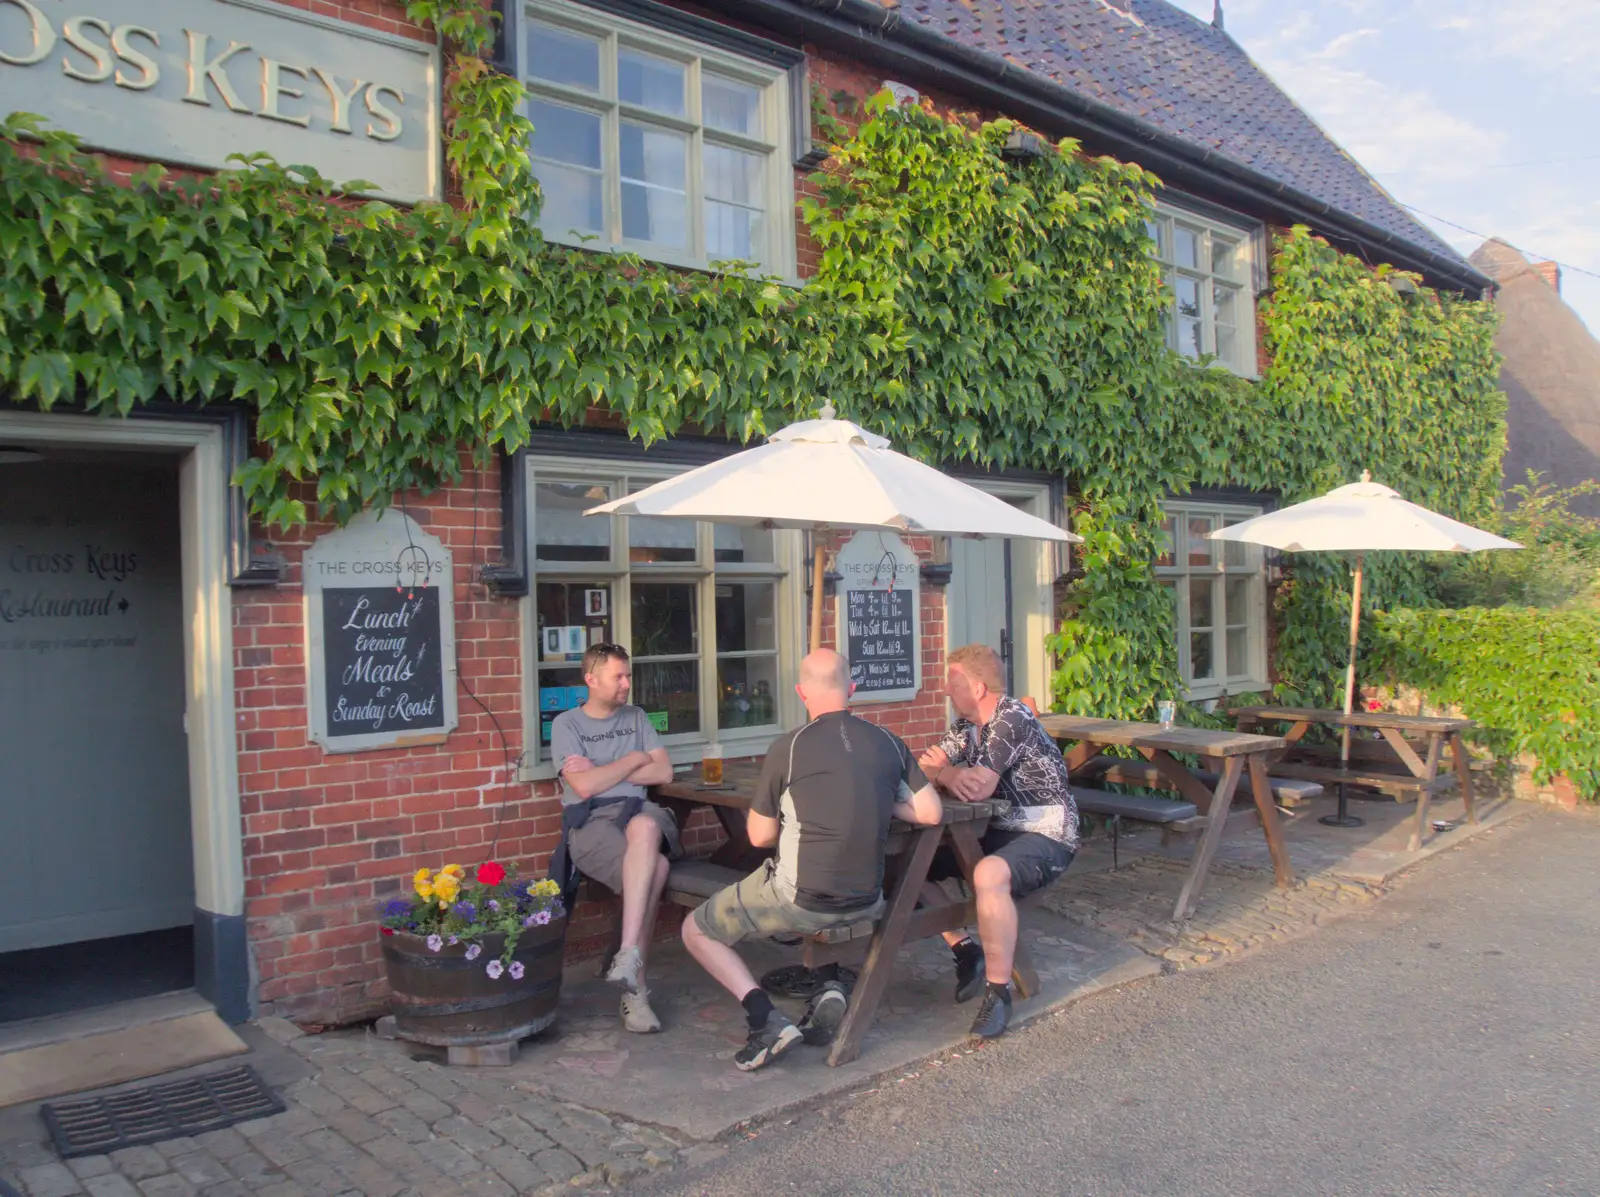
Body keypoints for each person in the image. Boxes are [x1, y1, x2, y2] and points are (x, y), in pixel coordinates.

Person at [681, 649, 943, 1072]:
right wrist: (883, 802)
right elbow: (931, 812)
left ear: (802, 693)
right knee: (814, 869)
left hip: (801, 901)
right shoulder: (889, 742)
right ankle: (828, 986)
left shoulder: (789, 746)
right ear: (851, 689)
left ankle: (765, 1020)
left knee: (695, 929)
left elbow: (759, 835)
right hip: (868, 900)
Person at [918, 644, 1078, 1041]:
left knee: (989, 874)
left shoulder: (1012, 717)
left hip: (1047, 832)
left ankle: (999, 992)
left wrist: (948, 774)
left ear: (977, 687)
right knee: (911, 864)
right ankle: (964, 949)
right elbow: (923, 764)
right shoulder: (964, 726)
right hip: (996, 830)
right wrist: (949, 776)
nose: (946, 692)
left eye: (952, 684)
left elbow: (980, 788)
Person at [549, 643, 677, 1034]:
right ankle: (634, 984)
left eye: (628, 675)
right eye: (617, 677)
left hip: (638, 812)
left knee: (648, 825)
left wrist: (606, 769)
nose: (626, 684)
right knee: (656, 867)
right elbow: (584, 787)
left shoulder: (637, 716)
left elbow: (665, 773)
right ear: (591, 680)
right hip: (592, 825)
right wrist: (635, 759)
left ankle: (628, 962)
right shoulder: (566, 725)